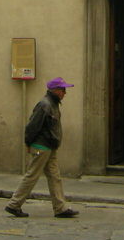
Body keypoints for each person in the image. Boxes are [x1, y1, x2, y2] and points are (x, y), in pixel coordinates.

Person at [5, 77, 79, 219]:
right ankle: (14, 204)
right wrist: (28, 143)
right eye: (63, 90)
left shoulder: (53, 104)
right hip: (41, 147)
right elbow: (32, 126)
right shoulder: (44, 105)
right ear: (56, 90)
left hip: (50, 147)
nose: (65, 93)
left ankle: (60, 207)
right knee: (32, 175)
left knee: (54, 177)